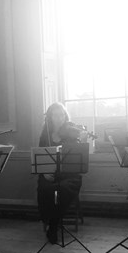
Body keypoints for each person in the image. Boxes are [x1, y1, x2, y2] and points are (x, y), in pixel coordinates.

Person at [37, 102, 85, 244]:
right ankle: (50, 221)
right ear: (49, 117)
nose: (59, 118)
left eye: (62, 115)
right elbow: (41, 156)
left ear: (65, 116)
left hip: (69, 174)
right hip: (50, 173)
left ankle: (53, 225)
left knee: (64, 188)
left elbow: (77, 156)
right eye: (55, 115)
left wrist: (81, 140)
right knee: (45, 188)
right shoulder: (45, 135)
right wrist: (44, 172)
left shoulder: (71, 133)